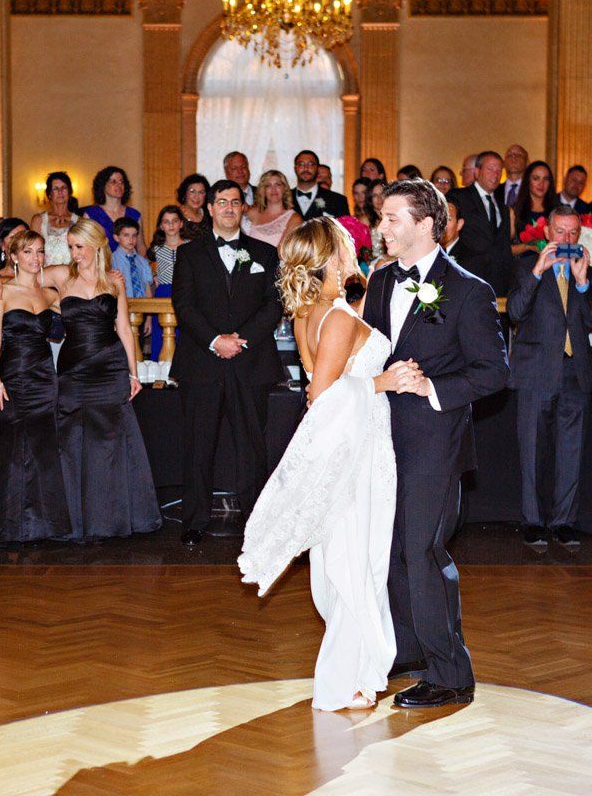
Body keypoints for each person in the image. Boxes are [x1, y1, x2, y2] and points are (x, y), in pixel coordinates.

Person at [239, 217, 422, 710]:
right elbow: (321, 393)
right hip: (354, 450)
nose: (353, 249)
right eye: (345, 245)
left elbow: (321, 382)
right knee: (355, 557)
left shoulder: (310, 312)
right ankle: (348, 679)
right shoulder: (337, 316)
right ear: (329, 256)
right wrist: (383, 383)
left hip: (355, 440)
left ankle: (358, 672)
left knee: (348, 556)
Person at [361, 178, 508, 707]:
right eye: (382, 218)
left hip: (435, 443)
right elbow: (371, 353)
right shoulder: (379, 282)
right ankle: (410, 650)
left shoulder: (470, 289)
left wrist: (431, 387)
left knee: (424, 551)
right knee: (393, 549)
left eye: (392, 219)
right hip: (381, 439)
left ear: (426, 225)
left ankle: (451, 674)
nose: (382, 228)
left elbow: (493, 373)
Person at [171, 180, 282, 546]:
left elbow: (274, 305)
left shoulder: (266, 254)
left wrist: (240, 341)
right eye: (222, 202)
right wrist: (216, 341)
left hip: (250, 363)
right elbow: (183, 306)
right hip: (202, 362)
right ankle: (194, 521)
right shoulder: (188, 255)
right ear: (210, 209)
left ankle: (256, 521)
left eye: (235, 202)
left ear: (243, 208)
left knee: (252, 446)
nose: (229, 208)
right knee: (198, 445)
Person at [41, 218, 160, 540]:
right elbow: (25, 275)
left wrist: (133, 372)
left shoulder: (114, 281)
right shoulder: (62, 275)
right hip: (74, 366)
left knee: (110, 443)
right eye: (70, 247)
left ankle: (111, 518)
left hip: (109, 367)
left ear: (96, 245)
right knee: (70, 441)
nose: (74, 253)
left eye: (78, 247)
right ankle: (72, 520)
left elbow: (123, 328)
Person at [506, 206, 592, 547]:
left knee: (571, 449)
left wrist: (581, 283)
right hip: (536, 370)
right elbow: (516, 312)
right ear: (547, 232)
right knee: (531, 448)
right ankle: (532, 520)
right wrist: (537, 272)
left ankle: (564, 521)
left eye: (573, 233)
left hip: (574, 372)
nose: (566, 239)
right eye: (560, 232)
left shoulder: (587, 273)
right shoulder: (525, 267)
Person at [0, 228, 71, 546]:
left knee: (43, 448)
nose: (35, 258)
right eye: (27, 252)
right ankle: (9, 523)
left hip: (44, 376)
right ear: (13, 257)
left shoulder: (50, 294)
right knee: (12, 450)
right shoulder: (2, 290)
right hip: (13, 376)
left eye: (40, 251)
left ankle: (42, 524)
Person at [447, 150, 515, 295]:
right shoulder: (459, 197)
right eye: (490, 169)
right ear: (477, 172)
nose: (495, 174)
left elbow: (504, 248)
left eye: (499, 171)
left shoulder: (503, 208)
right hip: (467, 279)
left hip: (498, 285)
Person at [148, 206, 187, 359]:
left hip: (184, 293)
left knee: (183, 332)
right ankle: (160, 373)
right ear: (161, 226)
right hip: (163, 293)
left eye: (175, 221)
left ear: (181, 223)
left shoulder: (190, 246)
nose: (171, 225)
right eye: (166, 222)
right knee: (161, 333)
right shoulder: (156, 249)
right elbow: (144, 267)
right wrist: (154, 275)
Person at [83, 166, 142, 251]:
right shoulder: (91, 215)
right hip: (102, 263)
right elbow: (85, 246)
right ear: (103, 186)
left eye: (121, 182)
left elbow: (141, 247)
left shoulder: (135, 215)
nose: (119, 185)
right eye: (113, 182)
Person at [509, 160, 560, 257]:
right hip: (522, 268)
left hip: (554, 267)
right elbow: (504, 250)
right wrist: (528, 246)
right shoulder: (514, 211)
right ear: (527, 181)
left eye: (546, 179)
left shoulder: (558, 210)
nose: (542, 184)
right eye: (536, 178)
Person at [32, 172, 80, 267]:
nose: (60, 192)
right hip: (46, 276)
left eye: (64, 188)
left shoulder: (79, 221)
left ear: (70, 192)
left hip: (73, 275)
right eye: (55, 189)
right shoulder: (38, 220)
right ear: (49, 194)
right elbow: (32, 251)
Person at [244, 170, 301, 247]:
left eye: (278, 184)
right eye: (268, 185)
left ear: (284, 188)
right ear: (263, 190)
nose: (273, 189)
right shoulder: (253, 213)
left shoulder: (294, 219)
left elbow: (283, 252)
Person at [293, 150, 349, 220]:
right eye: (301, 164)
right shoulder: (283, 198)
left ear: (317, 169)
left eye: (311, 164)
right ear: (295, 168)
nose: (306, 168)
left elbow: (343, 229)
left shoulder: (338, 200)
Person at [111, 217, 154, 298]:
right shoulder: (112, 260)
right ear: (116, 238)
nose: (131, 239)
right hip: (122, 304)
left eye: (134, 235)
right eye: (126, 235)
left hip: (142, 305)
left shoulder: (143, 261)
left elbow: (147, 287)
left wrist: (149, 308)